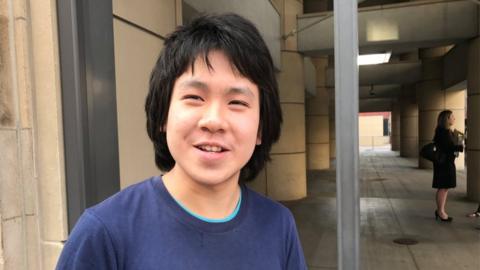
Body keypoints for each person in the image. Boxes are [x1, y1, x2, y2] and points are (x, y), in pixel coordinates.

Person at [56, 13, 307, 270]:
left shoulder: (278, 226)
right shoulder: (104, 233)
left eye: (237, 102)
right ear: (163, 114)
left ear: (260, 129)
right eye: (195, 97)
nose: (214, 120)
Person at [432, 110, 463, 222]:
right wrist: (459, 144)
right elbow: (448, 148)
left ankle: (440, 210)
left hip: (446, 163)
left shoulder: (446, 131)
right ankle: (440, 211)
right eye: (452, 116)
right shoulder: (443, 132)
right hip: (443, 163)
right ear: (447, 119)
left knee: (445, 188)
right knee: (443, 187)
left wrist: (457, 142)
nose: (454, 118)